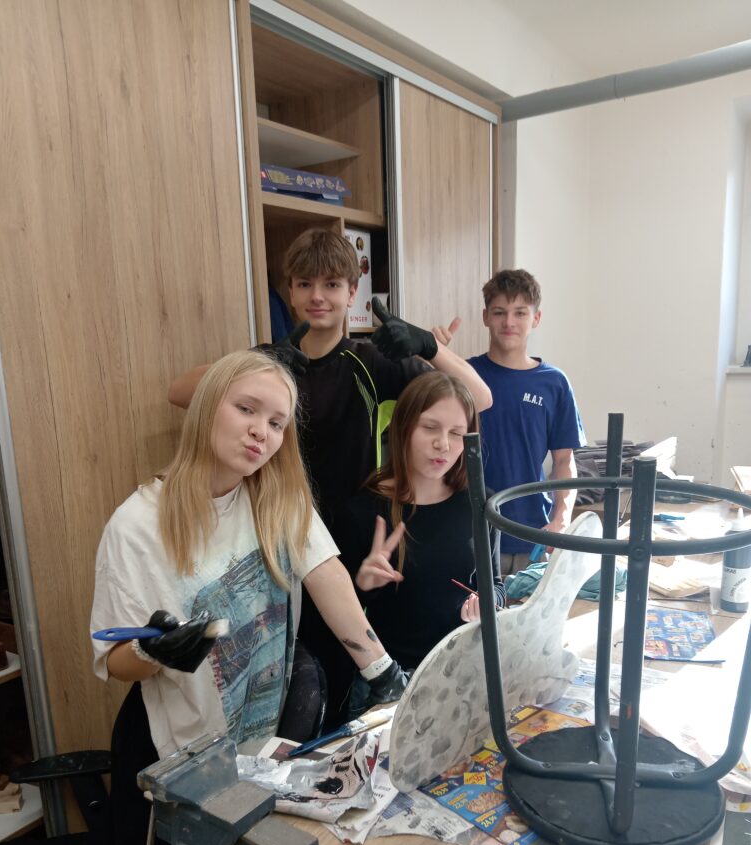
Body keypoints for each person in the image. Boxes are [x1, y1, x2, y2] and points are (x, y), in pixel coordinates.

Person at [168, 228, 492, 726]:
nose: (317, 296)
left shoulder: (372, 361)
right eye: (304, 284)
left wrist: (428, 346)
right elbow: (179, 392)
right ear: (290, 291)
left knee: (346, 670)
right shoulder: (272, 364)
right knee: (285, 674)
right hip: (276, 535)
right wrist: (251, 365)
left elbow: (479, 398)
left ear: (352, 291)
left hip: (350, 542)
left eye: (332, 284)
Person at [91, 349, 409, 764]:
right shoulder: (135, 526)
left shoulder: (278, 499)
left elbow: (325, 573)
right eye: (246, 409)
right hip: (184, 755)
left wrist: (382, 671)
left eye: (276, 424)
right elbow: (115, 663)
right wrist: (152, 652)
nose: (261, 432)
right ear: (207, 406)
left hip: (262, 744)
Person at [333, 373, 506, 673]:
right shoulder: (361, 511)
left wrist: (488, 603)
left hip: (466, 669)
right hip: (393, 679)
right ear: (403, 427)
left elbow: (496, 584)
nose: (443, 444)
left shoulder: (480, 504)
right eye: (429, 428)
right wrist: (362, 585)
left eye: (456, 433)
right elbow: (338, 618)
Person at [436, 269, 585, 575]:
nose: (509, 322)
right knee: (475, 608)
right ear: (485, 317)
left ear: (536, 318)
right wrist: (433, 355)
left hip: (534, 535)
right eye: (499, 312)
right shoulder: (464, 376)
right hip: (471, 533)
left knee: (532, 608)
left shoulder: (554, 383)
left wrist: (562, 517)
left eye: (520, 313)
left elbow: (564, 460)